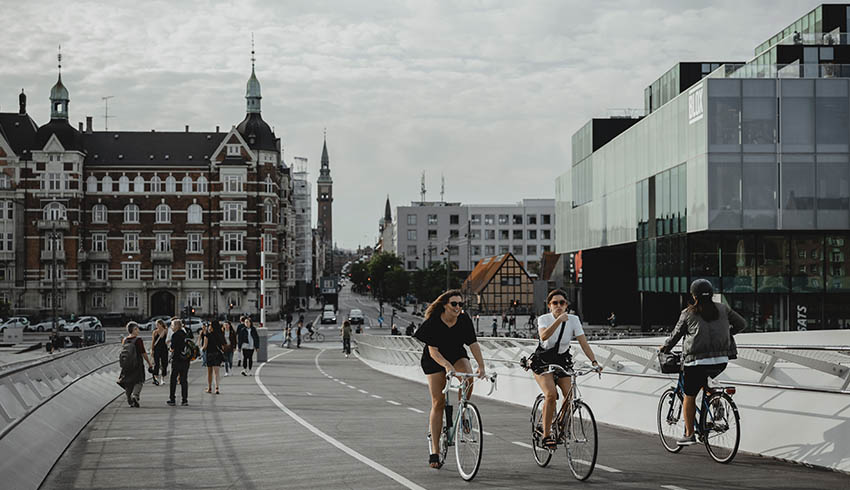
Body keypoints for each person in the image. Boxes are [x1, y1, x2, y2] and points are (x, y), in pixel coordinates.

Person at [660, 279, 746, 446]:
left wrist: (664, 348)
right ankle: (715, 400)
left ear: (693, 295)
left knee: (689, 396)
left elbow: (675, 336)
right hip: (721, 360)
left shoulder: (688, 313)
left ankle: (689, 434)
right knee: (705, 381)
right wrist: (728, 334)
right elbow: (741, 324)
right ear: (711, 294)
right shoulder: (723, 308)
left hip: (696, 362)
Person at [413, 289, 486, 469]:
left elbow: (473, 344)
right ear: (445, 305)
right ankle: (435, 452)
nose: (458, 307)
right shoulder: (433, 323)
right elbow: (433, 351)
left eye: (461, 304)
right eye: (454, 304)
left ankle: (464, 410)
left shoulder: (463, 319)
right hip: (435, 360)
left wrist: (481, 366)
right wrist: (447, 367)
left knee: (468, 378)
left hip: (456, 354)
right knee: (438, 402)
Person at [532, 289, 601, 450]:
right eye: (554, 303)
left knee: (569, 396)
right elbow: (543, 336)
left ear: (566, 305)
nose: (558, 306)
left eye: (562, 303)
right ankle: (546, 435)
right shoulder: (544, 319)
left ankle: (561, 426)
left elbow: (583, 343)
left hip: (562, 360)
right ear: (549, 306)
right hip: (543, 361)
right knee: (551, 395)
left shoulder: (574, 320)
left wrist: (594, 362)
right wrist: (558, 321)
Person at [119, 322, 153, 407]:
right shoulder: (138, 340)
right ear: (133, 330)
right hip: (137, 364)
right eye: (137, 329)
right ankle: (135, 396)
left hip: (126, 365)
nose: (138, 330)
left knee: (128, 382)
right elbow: (143, 353)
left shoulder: (125, 340)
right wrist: (149, 363)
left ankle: (129, 400)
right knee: (139, 381)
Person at [168, 319, 189, 406]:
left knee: (173, 379)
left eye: (172, 325)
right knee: (184, 380)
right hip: (185, 360)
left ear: (176, 326)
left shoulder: (175, 335)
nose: (171, 327)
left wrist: (170, 348)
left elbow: (172, 347)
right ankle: (184, 400)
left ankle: (172, 399)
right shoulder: (185, 334)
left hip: (176, 360)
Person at [204, 321, 225, 393]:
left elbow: (205, 346)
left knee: (209, 372)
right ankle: (217, 388)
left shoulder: (208, 335)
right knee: (217, 372)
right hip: (217, 354)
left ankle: (209, 388)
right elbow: (223, 345)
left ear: (212, 327)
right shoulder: (220, 334)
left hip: (209, 354)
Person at [150, 319, 169, 385]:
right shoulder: (155, 332)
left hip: (164, 348)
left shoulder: (165, 331)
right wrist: (152, 350)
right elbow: (153, 341)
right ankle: (156, 378)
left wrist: (164, 330)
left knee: (164, 363)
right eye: (156, 325)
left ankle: (162, 378)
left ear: (161, 324)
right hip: (157, 348)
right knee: (156, 363)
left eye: (158, 324)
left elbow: (167, 338)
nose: (156, 326)